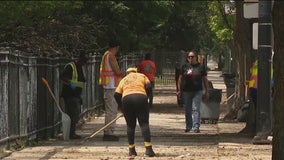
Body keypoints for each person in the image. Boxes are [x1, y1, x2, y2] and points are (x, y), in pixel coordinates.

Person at [114, 67, 156, 157]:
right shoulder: (142, 76)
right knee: (144, 123)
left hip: (127, 99)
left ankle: (132, 150)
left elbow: (116, 94)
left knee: (130, 125)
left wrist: (121, 107)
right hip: (141, 97)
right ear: (136, 71)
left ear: (127, 73)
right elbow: (149, 87)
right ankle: (148, 149)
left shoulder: (124, 79)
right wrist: (147, 99)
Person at [177, 50, 209, 133]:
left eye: (192, 57)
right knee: (187, 109)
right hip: (187, 91)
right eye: (189, 57)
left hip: (197, 91)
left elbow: (205, 79)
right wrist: (179, 90)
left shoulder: (200, 66)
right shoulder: (185, 67)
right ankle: (188, 126)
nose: (191, 58)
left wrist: (207, 90)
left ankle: (196, 127)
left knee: (196, 108)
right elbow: (180, 79)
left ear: (196, 57)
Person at [99, 40, 123, 141]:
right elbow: (117, 71)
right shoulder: (111, 56)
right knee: (112, 110)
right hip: (111, 87)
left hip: (109, 86)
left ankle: (109, 131)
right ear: (116, 47)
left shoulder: (106, 55)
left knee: (111, 110)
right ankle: (108, 132)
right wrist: (124, 74)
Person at [60, 53, 88, 139]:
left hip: (76, 95)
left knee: (74, 114)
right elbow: (62, 76)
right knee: (72, 114)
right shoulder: (70, 66)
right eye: (83, 62)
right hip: (70, 94)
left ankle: (71, 132)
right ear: (79, 60)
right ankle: (71, 133)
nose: (84, 65)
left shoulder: (79, 67)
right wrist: (71, 84)